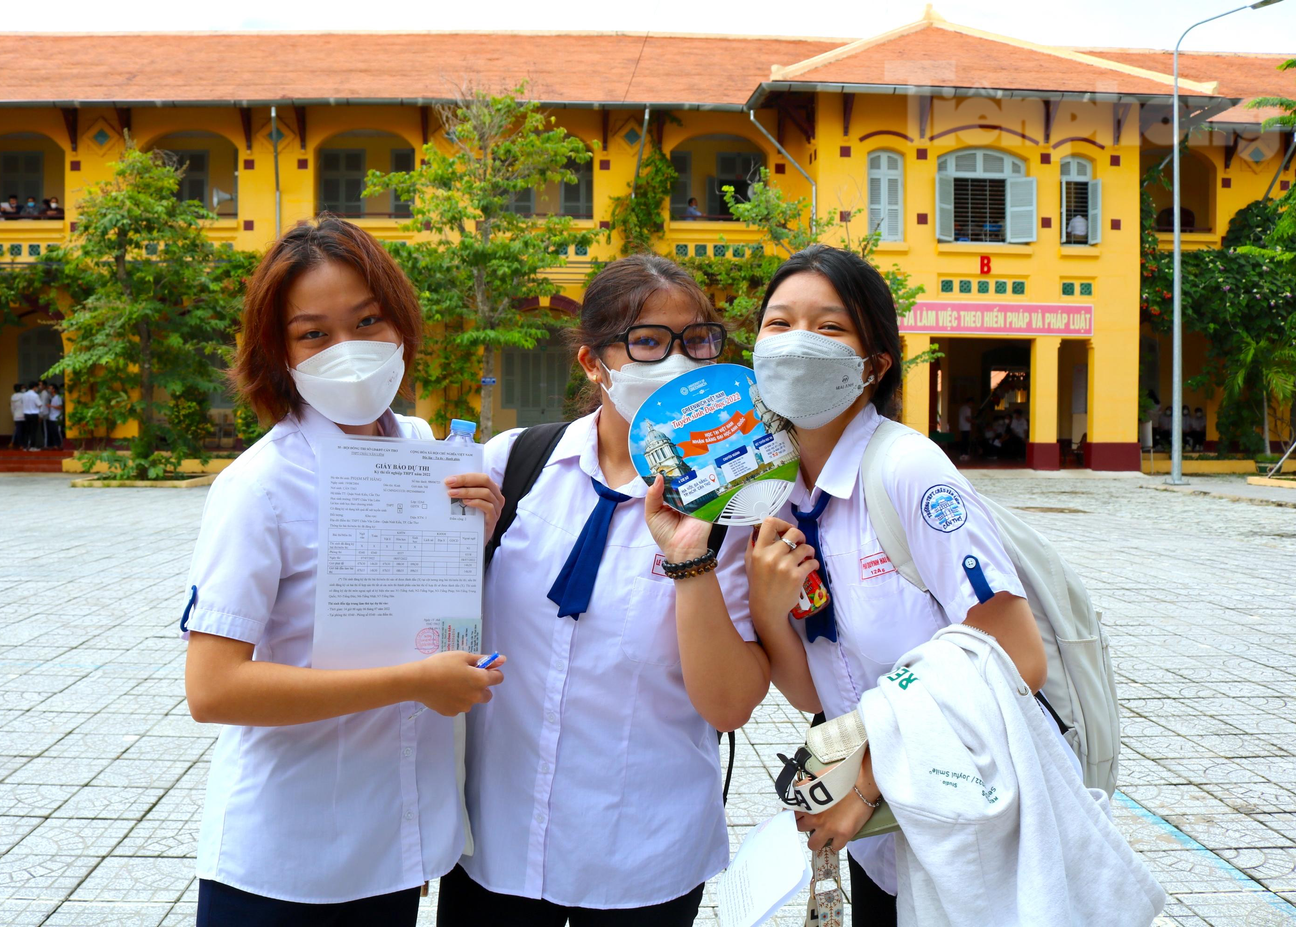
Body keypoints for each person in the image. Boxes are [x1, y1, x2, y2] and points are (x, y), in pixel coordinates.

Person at [182, 216, 506, 927]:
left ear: (401, 323)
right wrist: (414, 685)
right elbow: (212, 688)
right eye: (314, 333)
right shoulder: (258, 486)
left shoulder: (423, 449)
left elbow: (410, 614)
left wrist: (469, 538)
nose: (350, 351)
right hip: (284, 868)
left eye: (367, 320)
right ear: (279, 353)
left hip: (392, 851)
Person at [437, 255, 770, 927]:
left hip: (644, 858)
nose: (678, 361)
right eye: (648, 341)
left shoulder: (734, 508)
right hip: (495, 847)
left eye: (699, 339)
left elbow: (730, 705)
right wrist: (451, 556)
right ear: (594, 362)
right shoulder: (513, 466)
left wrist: (690, 564)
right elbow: (434, 625)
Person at [743, 244, 1046, 923]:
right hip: (879, 842)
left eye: (829, 327)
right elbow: (811, 689)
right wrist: (768, 610)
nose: (797, 344)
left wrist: (868, 784)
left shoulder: (910, 472)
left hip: (960, 815)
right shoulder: (781, 499)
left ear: (874, 364)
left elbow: (1019, 659)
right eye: (778, 322)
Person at [21, 381, 44, 450]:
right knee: (33, 431)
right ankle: (32, 446)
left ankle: (25, 446)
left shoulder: (24, 395)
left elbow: (22, 403)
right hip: (34, 414)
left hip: (26, 414)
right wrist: (41, 415)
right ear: (35, 387)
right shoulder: (35, 395)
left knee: (27, 431)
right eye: (37, 387)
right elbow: (40, 405)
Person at [9, 383, 26, 449]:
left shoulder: (12, 396)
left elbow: (12, 408)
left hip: (16, 415)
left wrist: (14, 414)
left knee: (18, 430)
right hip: (24, 415)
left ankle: (20, 444)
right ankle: (24, 444)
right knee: (24, 431)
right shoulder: (24, 395)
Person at [46, 384, 64, 448]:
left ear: (54, 390)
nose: (49, 389)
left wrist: (51, 406)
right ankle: (56, 444)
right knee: (53, 432)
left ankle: (61, 444)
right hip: (52, 418)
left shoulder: (58, 397)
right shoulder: (52, 397)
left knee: (58, 431)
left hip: (57, 417)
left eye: (50, 388)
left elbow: (60, 407)